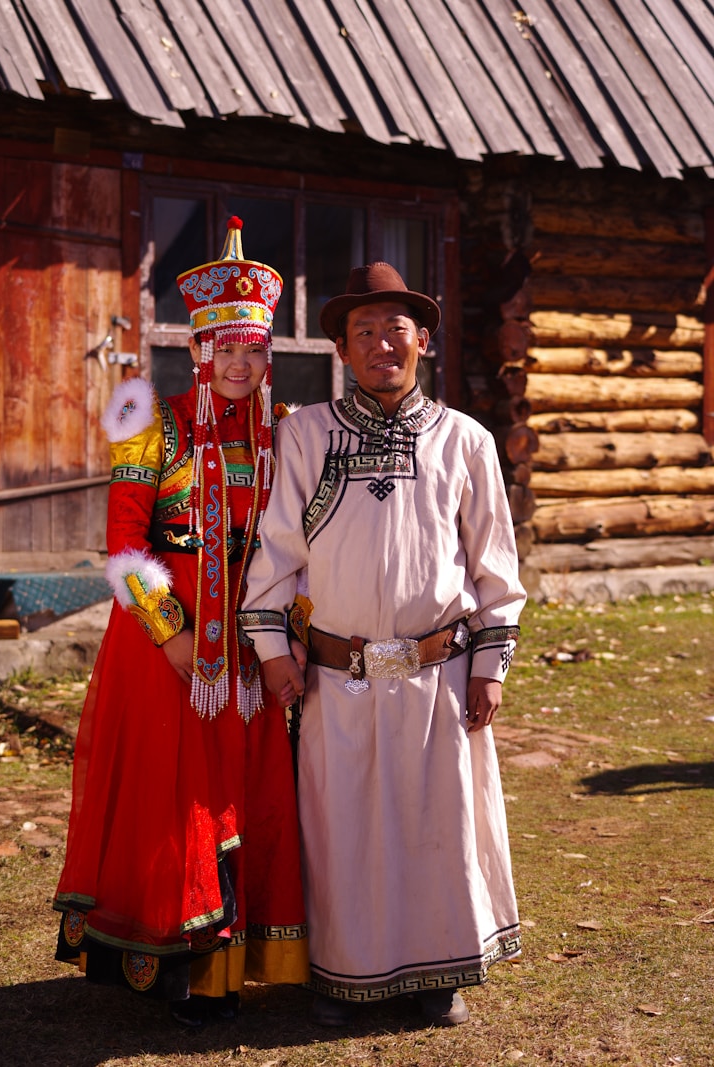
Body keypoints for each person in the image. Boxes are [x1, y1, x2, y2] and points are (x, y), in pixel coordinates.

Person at [238, 261, 526, 1028]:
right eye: (362, 332)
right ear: (342, 350)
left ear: (422, 340)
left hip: (440, 670)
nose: (380, 344)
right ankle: (341, 975)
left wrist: (491, 667)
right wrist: (273, 655)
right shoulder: (305, 436)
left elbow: (494, 564)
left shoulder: (465, 440)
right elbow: (275, 554)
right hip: (339, 675)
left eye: (394, 329)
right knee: (344, 826)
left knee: (440, 820)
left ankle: (441, 973)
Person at [53, 217, 309, 1027]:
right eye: (226, 348)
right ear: (199, 351)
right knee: (181, 802)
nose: (241, 363)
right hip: (166, 650)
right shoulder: (147, 424)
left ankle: (238, 963)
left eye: (255, 349)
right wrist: (173, 639)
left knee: (252, 792)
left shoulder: (281, 433)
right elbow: (124, 546)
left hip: (252, 643)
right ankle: (186, 968)